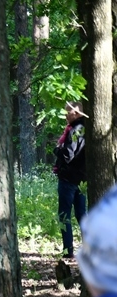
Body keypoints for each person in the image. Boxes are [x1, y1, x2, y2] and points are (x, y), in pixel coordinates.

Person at [54, 101, 88, 259]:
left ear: (76, 113)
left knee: (64, 215)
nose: (66, 115)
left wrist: (57, 149)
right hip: (81, 180)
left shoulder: (76, 130)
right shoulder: (85, 128)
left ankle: (68, 251)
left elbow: (68, 155)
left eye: (68, 112)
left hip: (69, 180)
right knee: (82, 214)